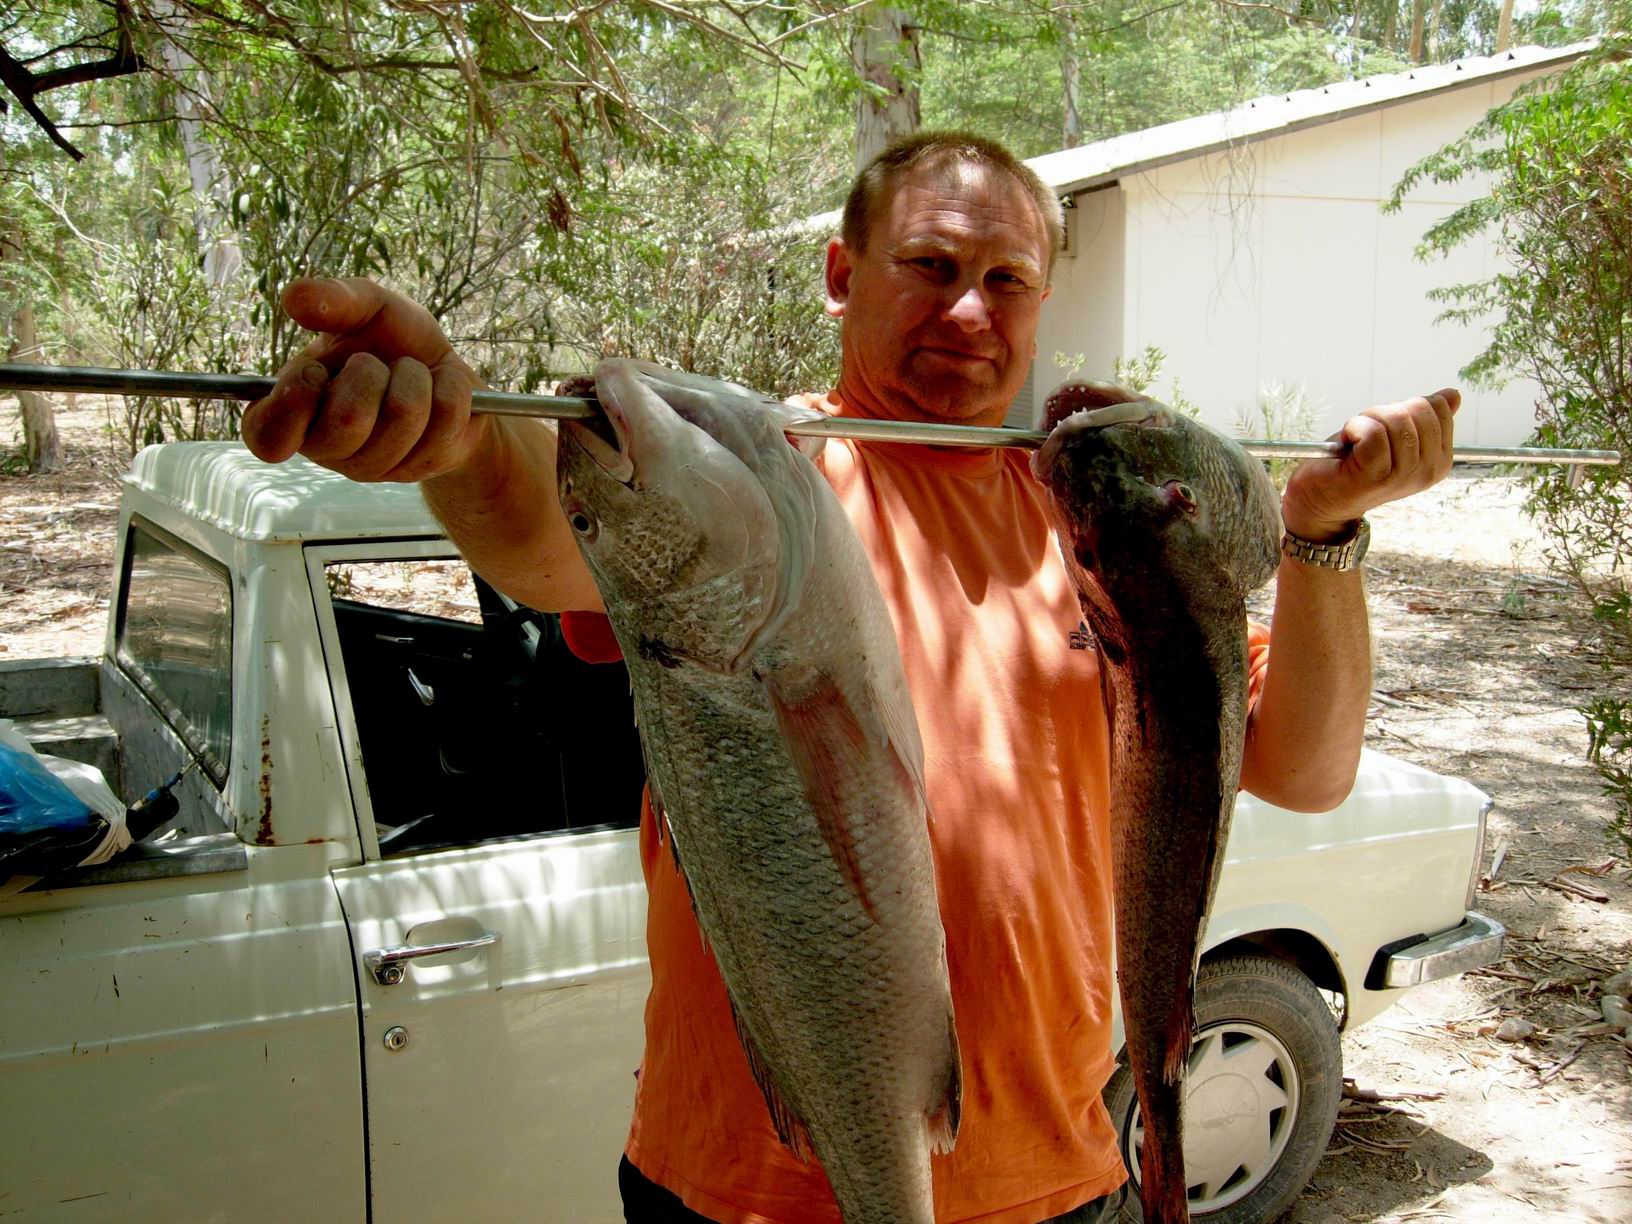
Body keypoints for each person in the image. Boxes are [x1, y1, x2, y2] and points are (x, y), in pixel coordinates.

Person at [241, 131, 1458, 1224]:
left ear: (1042, 300)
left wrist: (1323, 535)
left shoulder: (1097, 514)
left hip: (1057, 1176)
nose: (969, 309)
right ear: (841, 274)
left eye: (1007, 279)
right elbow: (548, 535)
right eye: (931, 265)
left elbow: (1304, 767)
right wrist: (457, 445)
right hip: (746, 1196)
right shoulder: (759, 476)